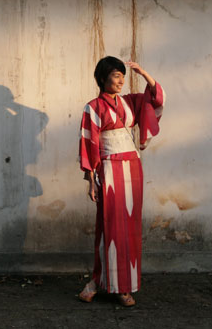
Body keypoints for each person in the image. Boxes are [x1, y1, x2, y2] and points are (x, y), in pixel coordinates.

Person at [78, 56, 165, 307]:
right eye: (116, 76)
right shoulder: (93, 107)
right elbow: (88, 144)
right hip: (109, 169)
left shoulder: (129, 102)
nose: (121, 81)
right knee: (110, 228)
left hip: (132, 167)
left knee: (130, 228)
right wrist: (91, 181)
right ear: (102, 78)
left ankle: (123, 286)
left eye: (123, 76)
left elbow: (156, 99)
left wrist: (143, 72)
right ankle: (99, 281)